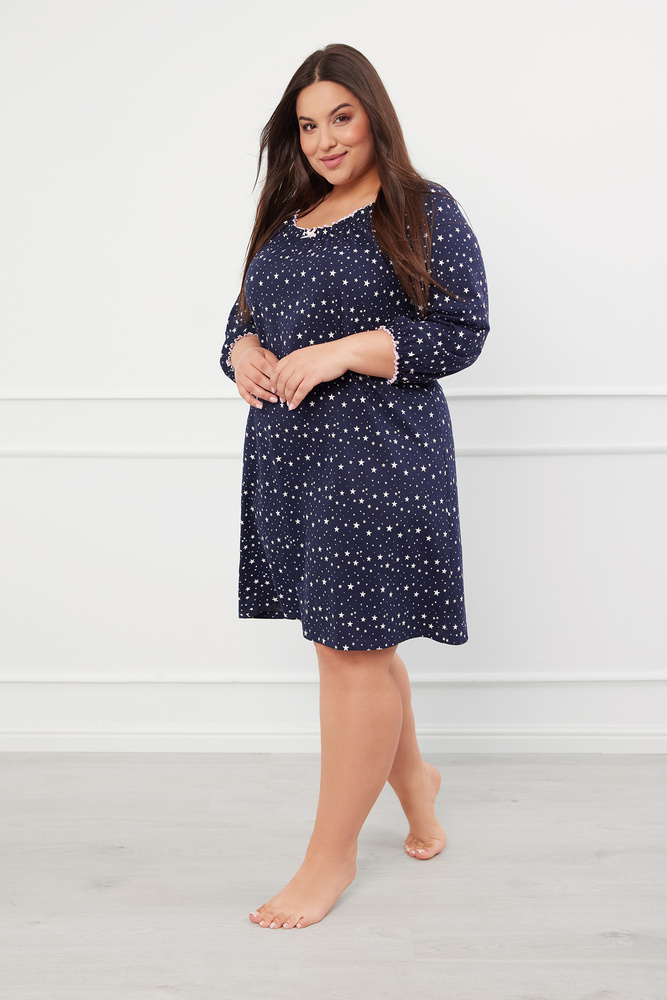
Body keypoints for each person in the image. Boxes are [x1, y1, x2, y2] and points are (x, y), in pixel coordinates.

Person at [219, 42, 490, 930]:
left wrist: (342, 351)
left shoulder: (419, 208)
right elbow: (244, 317)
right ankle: (415, 783)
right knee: (351, 646)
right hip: (292, 460)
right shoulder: (288, 214)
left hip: (379, 458)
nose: (325, 139)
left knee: (351, 651)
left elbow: (460, 329)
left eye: (341, 117)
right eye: (307, 126)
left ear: (374, 114)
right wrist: (240, 351)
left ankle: (328, 858)